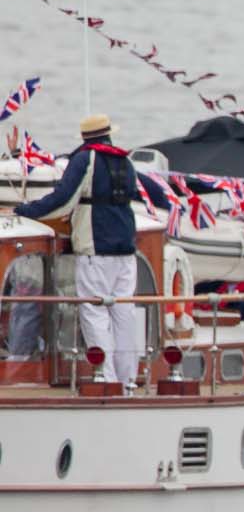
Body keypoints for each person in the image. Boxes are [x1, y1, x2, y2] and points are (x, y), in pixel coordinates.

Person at [12, 114, 167, 389]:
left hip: (96, 248)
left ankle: (104, 377)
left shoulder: (85, 159)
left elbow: (63, 200)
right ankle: (128, 378)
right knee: (124, 312)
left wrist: (26, 211)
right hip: (126, 250)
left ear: (84, 138)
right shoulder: (125, 161)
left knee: (94, 312)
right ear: (108, 134)